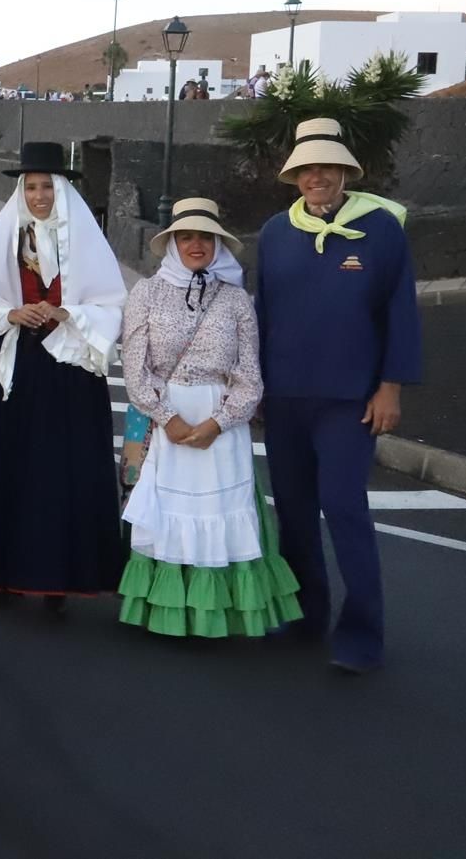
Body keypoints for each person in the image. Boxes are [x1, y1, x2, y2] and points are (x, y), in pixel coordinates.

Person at [256, 118, 420, 674]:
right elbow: (262, 315)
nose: (316, 176)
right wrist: (256, 387)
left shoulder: (382, 229)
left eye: (327, 166)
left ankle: (362, 635)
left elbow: (400, 311)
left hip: (349, 400)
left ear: (346, 171)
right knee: (294, 515)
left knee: (346, 510)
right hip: (284, 399)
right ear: (294, 176)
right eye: (306, 168)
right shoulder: (276, 232)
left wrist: (390, 386)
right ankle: (305, 617)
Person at [0, 141, 127, 609]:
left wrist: (67, 312)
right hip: (16, 367)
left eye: (47, 185)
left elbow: (110, 303)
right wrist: (13, 313)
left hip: (68, 370)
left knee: (61, 474)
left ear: (62, 188)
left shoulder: (87, 241)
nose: (39, 194)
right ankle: (4, 574)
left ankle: (58, 578)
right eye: (30, 186)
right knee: (6, 468)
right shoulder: (7, 235)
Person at [118, 199, 301, 638]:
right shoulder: (146, 292)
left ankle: (215, 617)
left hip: (221, 424)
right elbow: (135, 367)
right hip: (166, 422)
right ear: (172, 244)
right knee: (169, 513)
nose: (196, 244)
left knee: (222, 513)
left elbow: (249, 376)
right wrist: (167, 417)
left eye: (205, 237)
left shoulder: (236, 299)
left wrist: (220, 422)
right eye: (186, 237)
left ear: (217, 244)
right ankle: (166, 614)